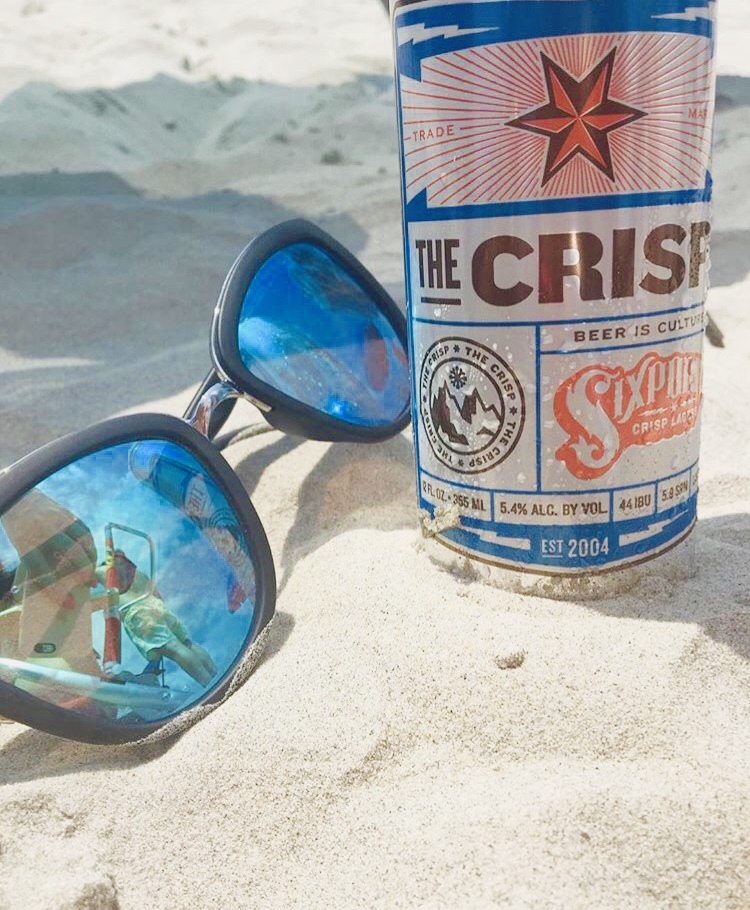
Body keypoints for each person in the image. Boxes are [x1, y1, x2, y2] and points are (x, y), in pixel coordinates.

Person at [104, 550, 217, 686]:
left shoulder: (108, 576)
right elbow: (156, 593)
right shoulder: (139, 574)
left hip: (138, 614)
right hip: (157, 606)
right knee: (187, 643)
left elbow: (98, 598)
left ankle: (209, 684)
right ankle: (216, 676)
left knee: (174, 650)